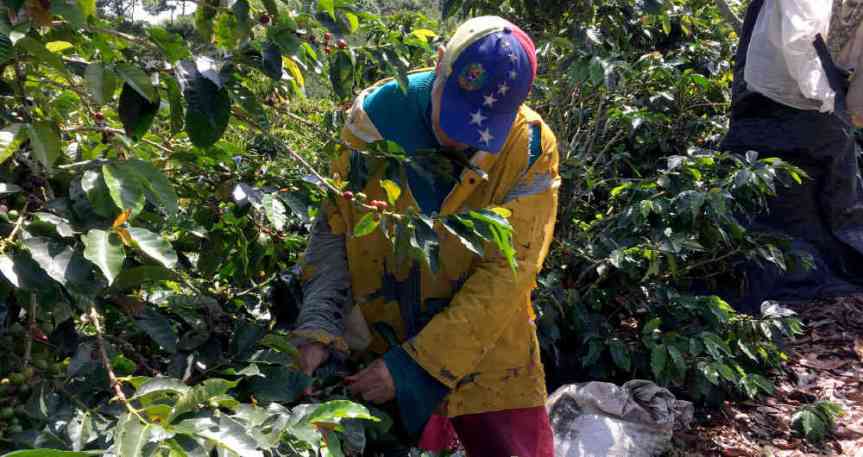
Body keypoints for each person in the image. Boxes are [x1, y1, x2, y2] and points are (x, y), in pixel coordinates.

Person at [290, 16, 559, 456]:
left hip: (487, 343)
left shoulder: (527, 148)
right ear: (439, 63)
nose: (457, 137)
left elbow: (508, 272)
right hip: (384, 334)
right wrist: (319, 324)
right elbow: (336, 226)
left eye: (479, 127)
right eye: (453, 112)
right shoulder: (374, 123)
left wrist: (418, 366)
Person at [720, 0, 863, 312]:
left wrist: (839, 103)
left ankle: (811, 260)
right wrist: (825, 95)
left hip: (806, 91)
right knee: (769, 179)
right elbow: (800, 31)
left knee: (826, 171)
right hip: (774, 87)